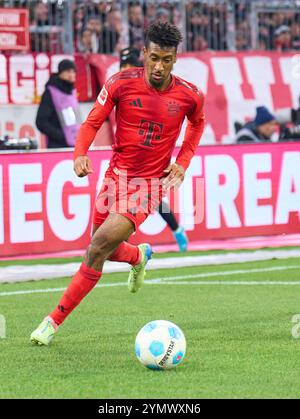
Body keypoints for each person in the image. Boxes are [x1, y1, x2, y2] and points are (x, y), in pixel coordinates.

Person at [30, 21, 205, 346]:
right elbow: (91, 122)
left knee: (96, 248)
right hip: (115, 178)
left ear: (175, 59)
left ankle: (51, 322)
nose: (158, 66)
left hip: (148, 185)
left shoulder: (190, 95)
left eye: (166, 59)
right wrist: (79, 154)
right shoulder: (120, 83)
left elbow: (197, 125)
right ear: (144, 53)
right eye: (154, 57)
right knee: (103, 247)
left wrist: (182, 163)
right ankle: (138, 257)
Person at [119, 46, 189, 251]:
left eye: (129, 66)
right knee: (124, 197)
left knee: (150, 199)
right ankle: (125, 243)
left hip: (150, 155)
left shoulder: (150, 87)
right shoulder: (120, 86)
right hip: (129, 156)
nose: (125, 70)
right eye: (123, 66)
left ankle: (175, 230)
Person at [36, 59, 81, 148]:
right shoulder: (50, 92)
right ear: (60, 73)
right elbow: (41, 122)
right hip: (57, 146)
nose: (72, 75)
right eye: (68, 71)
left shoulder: (71, 91)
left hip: (74, 144)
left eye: (73, 71)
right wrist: (62, 136)